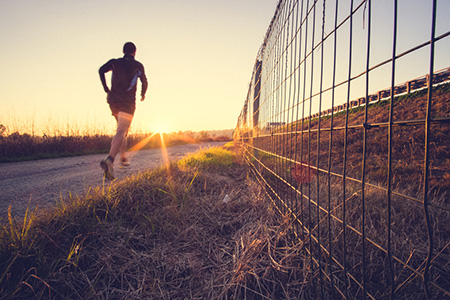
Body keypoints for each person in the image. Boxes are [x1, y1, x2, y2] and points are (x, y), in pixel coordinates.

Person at [99, 42, 148, 180]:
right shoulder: (138, 65)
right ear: (135, 52)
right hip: (127, 102)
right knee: (121, 130)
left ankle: (123, 157)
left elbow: (101, 70)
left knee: (121, 129)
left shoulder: (114, 62)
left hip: (113, 101)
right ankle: (110, 160)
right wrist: (143, 94)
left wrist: (105, 87)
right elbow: (144, 81)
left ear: (123, 51)